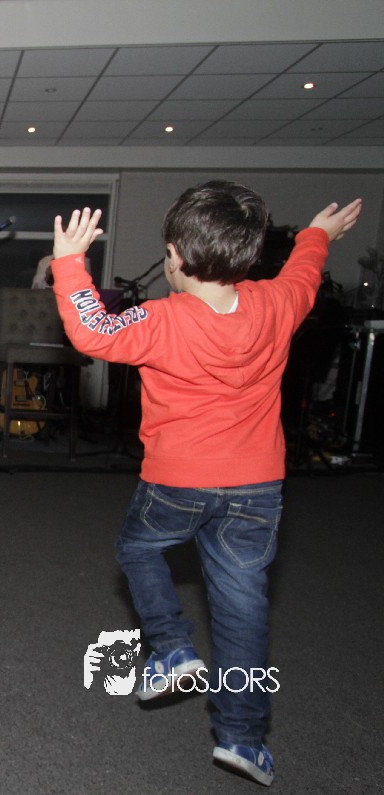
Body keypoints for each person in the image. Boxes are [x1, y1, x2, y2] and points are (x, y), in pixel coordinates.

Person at [50, 184, 363, 787]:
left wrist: (69, 261)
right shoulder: (277, 304)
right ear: (250, 256)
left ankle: (171, 647)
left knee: (138, 549)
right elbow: (303, 274)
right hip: (257, 487)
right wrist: (316, 236)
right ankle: (243, 737)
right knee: (243, 610)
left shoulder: (161, 318)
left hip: (178, 479)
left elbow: (92, 331)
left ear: (173, 256)